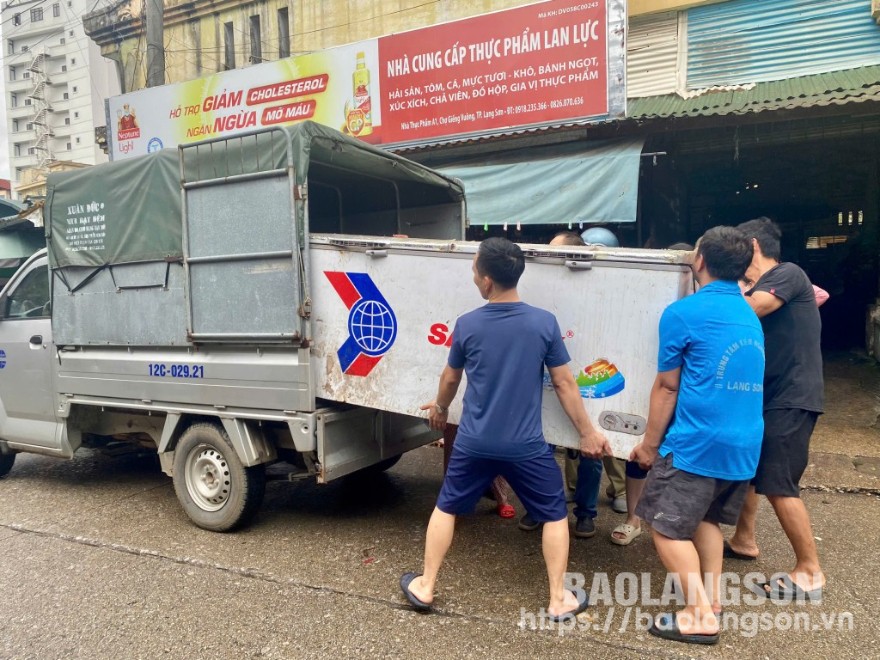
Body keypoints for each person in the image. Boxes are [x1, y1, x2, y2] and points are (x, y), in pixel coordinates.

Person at [400, 237, 611, 619]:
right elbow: (564, 384)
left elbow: (450, 378)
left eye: (474, 269)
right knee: (554, 515)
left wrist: (441, 408)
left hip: (474, 441)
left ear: (485, 281)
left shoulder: (468, 324)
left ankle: (426, 586)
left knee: (446, 507)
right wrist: (587, 432)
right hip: (525, 445)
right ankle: (558, 599)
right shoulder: (543, 323)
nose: (473, 275)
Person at [630, 226, 764, 645]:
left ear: (699, 260)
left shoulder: (683, 312)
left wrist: (649, 445)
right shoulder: (748, 311)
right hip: (744, 445)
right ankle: (713, 600)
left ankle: (699, 614)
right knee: (707, 519)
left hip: (698, 444)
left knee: (665, 528)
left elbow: (668, 386)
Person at [726, 217, 826, 602]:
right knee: (753, 473)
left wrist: (718, 293)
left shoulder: (787, 274)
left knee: (780, 484)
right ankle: (744, 540)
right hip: (770, 396)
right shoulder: (756, 285)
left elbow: (752, 309)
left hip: (793, 395)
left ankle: (809, 570)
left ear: (752, 245)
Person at [609, 240, 695, 546]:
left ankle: (680, 525)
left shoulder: (696, 305)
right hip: (651, 383)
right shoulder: (648, 292)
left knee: (680, 460)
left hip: (686, 394)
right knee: (639, 452)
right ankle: (634, 518)